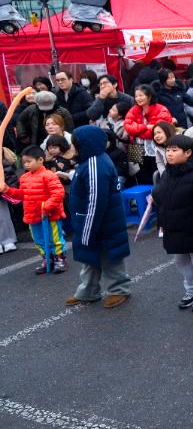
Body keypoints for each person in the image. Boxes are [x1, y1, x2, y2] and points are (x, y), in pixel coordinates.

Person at [63, 126, 132, 308]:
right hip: (93, 220)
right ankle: (88, 291)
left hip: (100, 221)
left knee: (110, 256)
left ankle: (119, 289)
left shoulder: (95, 164)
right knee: (90, 257)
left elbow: (95, 202)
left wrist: (87, 231)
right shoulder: (92, 160)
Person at [152, 134, 193, 311]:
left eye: (174, 150)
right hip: (174, 228)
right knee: (182, 263)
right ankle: (191, 291)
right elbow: (162, 200)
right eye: (168, 150)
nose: (169, 154)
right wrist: (162, 223)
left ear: (188, 152)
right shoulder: (167, 173)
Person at [0, 145, 68, 274]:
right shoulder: (24, 178)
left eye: (29, 162)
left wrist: (47, 206)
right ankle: (47, 259)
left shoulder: (49, 175)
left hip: (49, 215)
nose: (26, 165)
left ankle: (60, 259)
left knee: (55, 238)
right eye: (24, 162)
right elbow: (22, 195)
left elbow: (58, 193)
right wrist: (8, 190)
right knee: (38, 239)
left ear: (40, 160)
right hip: (32, 215)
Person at [124, 84, 174, 184]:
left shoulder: (161, 109)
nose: (138, 98)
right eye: (136, 96)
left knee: (157, 172)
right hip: (135, 146)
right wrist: (145, 127)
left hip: (155, 145)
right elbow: (128, 127)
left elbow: (154, 132)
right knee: (139, 175)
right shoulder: (133, 109)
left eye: (141, 95)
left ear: (149, 96)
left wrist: (137, 130)